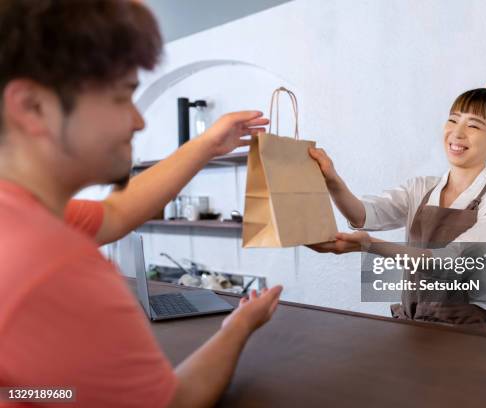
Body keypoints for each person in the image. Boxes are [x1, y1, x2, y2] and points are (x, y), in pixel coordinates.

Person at [0, 1, 281, 407]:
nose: (139, 120)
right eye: (121, 97)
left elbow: (115, 214)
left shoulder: (24, 215)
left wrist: (205, 145)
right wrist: (239, 327)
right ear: (32, 106)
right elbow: (174, 401)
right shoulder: (53, 262)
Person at [308, 81, 486, 330]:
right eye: (453, 120)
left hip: (466, 338)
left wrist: (368, 245)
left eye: (473, 125)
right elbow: (364, 215)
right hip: (410, 330)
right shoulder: (421, 188)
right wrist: (331, 178)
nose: (457, 133)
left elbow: (451, 262)